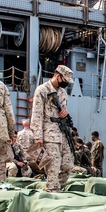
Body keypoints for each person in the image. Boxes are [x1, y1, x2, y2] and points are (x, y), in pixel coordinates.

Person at [32, 64, 75, 192]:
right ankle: (52, 189)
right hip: (49, 133)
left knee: (68, 164)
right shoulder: (42, 90)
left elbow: (63, 111)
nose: (66, 83)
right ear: (58, 76)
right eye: (65, 80)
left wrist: (65, 114)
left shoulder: (63, 93)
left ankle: (53, 187)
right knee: (53, 166)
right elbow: (37, 115)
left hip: (63, 133)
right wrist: (38, 137)